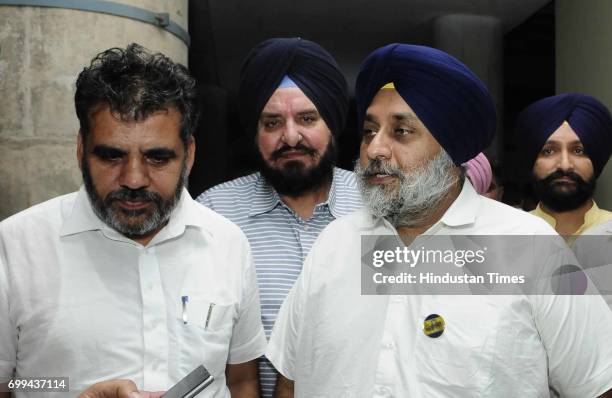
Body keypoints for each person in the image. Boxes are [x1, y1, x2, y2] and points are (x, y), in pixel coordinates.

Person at [266, 43, 612, 397]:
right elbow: (290, 381)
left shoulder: (530, 245)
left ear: (451, 148)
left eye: (401, 131)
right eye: (370, 131)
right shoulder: (334, 244)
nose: (374, 149)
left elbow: (598, 384)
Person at [0, 44, 266, 397]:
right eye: (112, 156)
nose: (134, 179)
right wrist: (65, 389)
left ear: (189, 156)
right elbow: (11, 384)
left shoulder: (229, 244)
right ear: (81, 151)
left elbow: (241, 380)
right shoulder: (18, 247)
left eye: (157, 158)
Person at [196, 37, 362, 397]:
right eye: (272, 123)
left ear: (332, 123)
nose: (290, 137)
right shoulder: (214, 213)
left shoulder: (378, 206)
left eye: (307, 119)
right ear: (254, 133)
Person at [515, 93, 612, 239]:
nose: (565, 165)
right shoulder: (509, 233)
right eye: (549, 151)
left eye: (578, 151)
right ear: (533, 161)